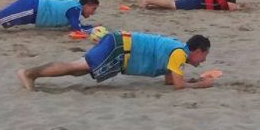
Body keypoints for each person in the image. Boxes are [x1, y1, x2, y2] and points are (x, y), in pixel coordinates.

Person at [15, 33, 216, 91]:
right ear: (197, 51)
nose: (203, 60)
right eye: (204, 56)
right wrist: (202, 84)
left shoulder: (177, 50)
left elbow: (171, 81)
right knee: (77, 67)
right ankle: (30, 73)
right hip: (119, 47)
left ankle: (32, 73)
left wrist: (192, 79)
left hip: (119, 43)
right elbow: (179, 86)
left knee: (78, 70)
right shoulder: (179, 54)